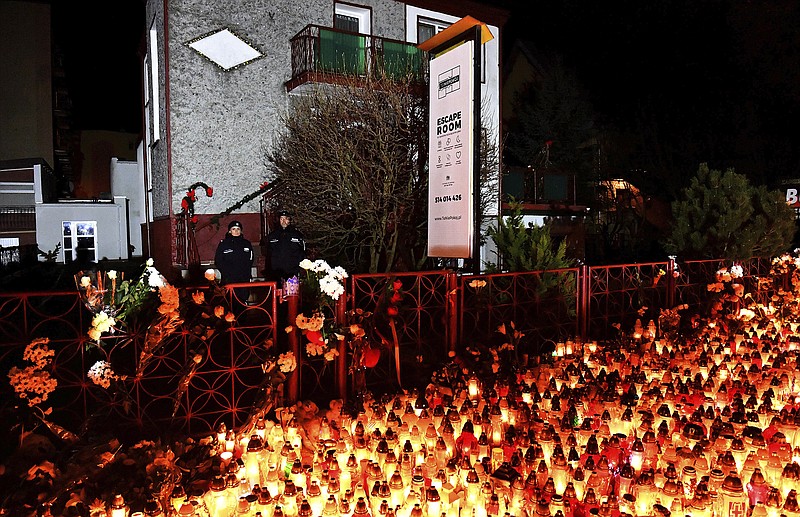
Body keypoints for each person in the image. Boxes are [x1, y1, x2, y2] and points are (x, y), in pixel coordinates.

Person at [215, 220, 254, 311]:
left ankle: (242, 322)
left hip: (243, 278)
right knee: (230, 303)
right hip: (229, 279)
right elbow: (218, 261)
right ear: (229, 231)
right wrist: (226, 273)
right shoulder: (224, 244)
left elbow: (251, 260)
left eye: (238, 229)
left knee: (243, 301)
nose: (236, 231)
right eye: (233, 229)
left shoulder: (246, 244)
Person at [267, 209, 306, 282]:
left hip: (292, 271)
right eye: (281, 219)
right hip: (277, 272)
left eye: (286, 219)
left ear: (289, 220)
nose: (283, 221)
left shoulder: (297, 235)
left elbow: (302, 252)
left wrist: (299, 267)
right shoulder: (272, 236)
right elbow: (269, 254)